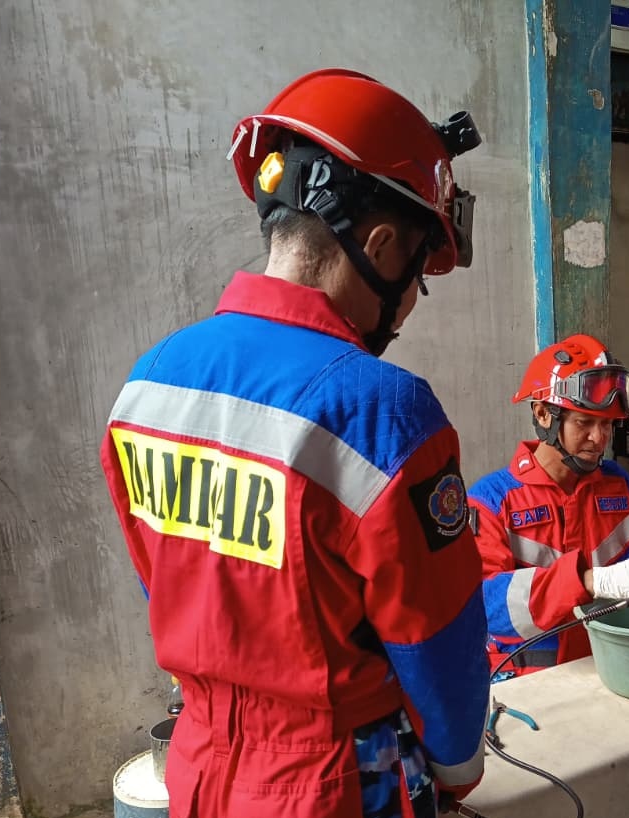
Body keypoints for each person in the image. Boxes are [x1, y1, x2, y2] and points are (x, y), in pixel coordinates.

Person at [100, 69, 489, 818]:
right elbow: (436, 636)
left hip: (199, 768)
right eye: (418, 277)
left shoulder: (149, 385)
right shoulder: (385, 411)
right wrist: (457, 764)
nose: (409, 305)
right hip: (335, 781)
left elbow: (166, 578)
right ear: (380, 244)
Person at [468, 334, 629, 673]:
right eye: (584, 422)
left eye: (606, 424)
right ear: (543, 414)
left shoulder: (619, 484)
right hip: (528, 684)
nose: (599, 438)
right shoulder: (490, 502)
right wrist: (590, 582)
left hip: (616, 666)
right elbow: (484, 608)